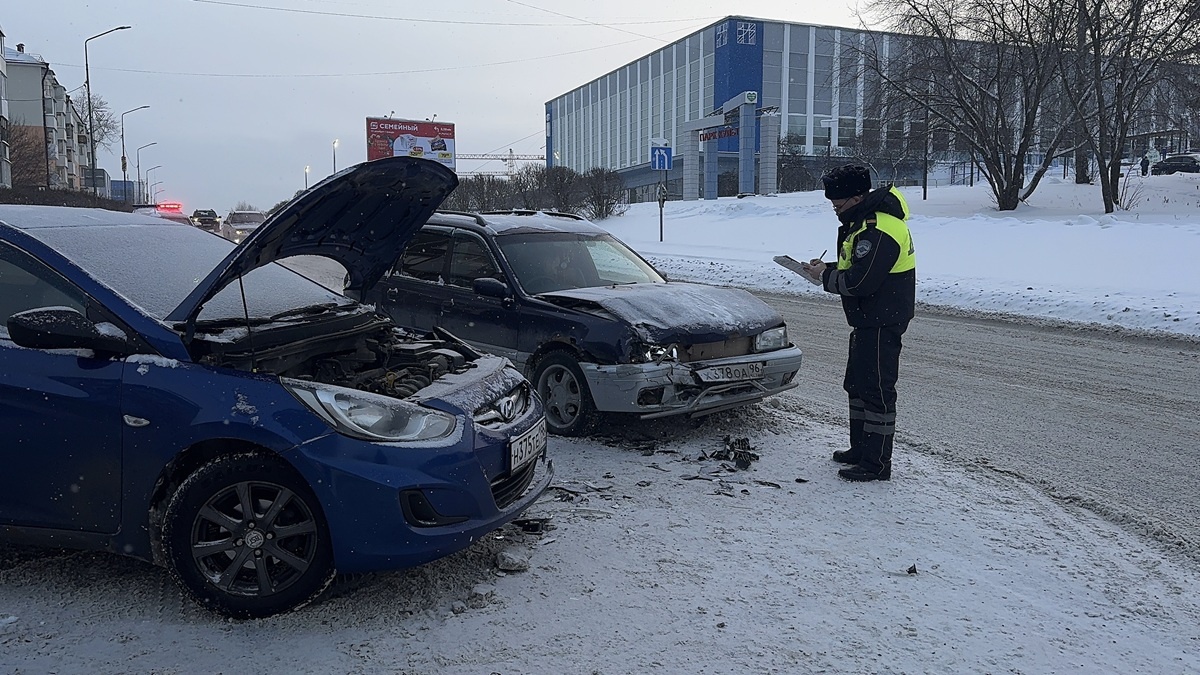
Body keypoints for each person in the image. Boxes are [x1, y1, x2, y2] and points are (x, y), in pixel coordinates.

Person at [798, 165, 916, 482]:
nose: (835, 211)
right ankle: (860, 449)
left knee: (877, 391)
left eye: (838, 206)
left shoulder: (880, 228)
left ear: (857, 197)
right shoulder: (862, 223)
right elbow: (856, 265)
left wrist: (825, 277)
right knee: (858, 386)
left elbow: (861, 281)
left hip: (882, 320)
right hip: (867, 320)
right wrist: (827, 268)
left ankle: (876, 463)